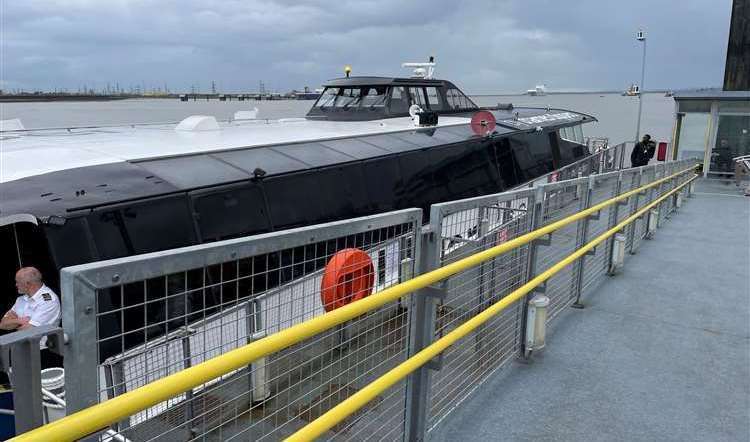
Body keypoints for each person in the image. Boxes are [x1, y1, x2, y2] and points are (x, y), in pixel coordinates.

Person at [0, 267, 62, 369]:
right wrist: (20, 321)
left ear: (28, 284)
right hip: (23, 351)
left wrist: (14, 324)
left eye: (17, 282)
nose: (16, 285)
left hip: (43, 354)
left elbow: (29, 330)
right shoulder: (21, 299)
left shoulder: (48, 301)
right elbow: (3, 324)